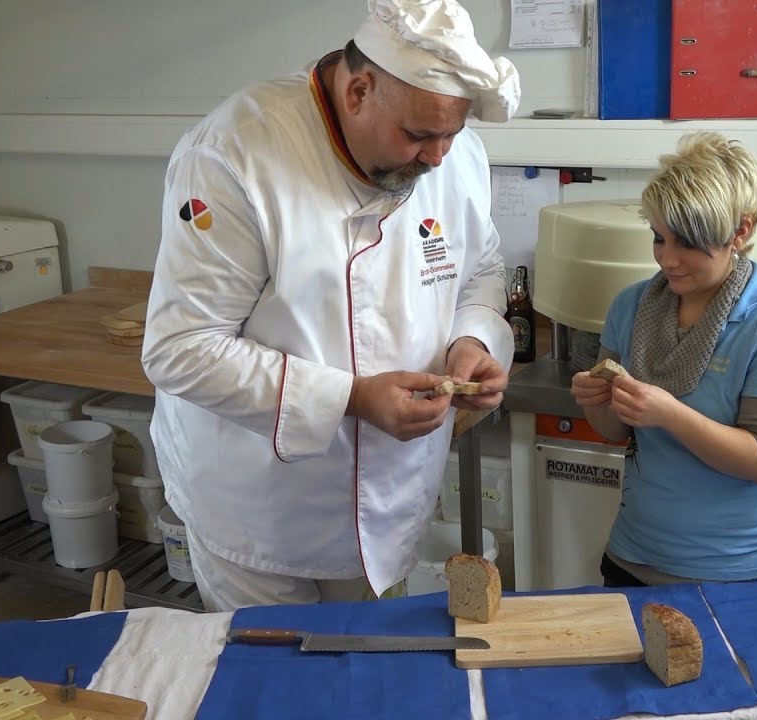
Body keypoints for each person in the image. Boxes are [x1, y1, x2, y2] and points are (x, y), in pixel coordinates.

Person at [140, 0, 521, 611]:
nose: (438, 158)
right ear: (359, 91)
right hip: (258, 513)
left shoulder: (454, 153)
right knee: (272, 687)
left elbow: (481, 269)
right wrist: (352, 398)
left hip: (392, 497)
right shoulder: (233, 154)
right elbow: (180, 349)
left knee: (367, 673)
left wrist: (473, 341)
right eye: (420, 136)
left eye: (452, 133)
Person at [569, 132, 757, 587]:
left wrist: (669, 414)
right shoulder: (631, 307)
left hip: (741, 571)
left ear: (740, 232)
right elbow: (613, 431)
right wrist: (595, 399)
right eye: (659, 238)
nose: (668, 259)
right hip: (635, 558)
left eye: (687, 242)